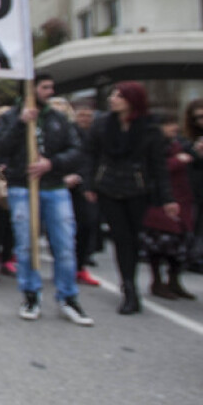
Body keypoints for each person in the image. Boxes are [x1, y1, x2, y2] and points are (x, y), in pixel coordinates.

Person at [0, 75, 93, 326]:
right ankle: (30, 295)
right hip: (22, 188)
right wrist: (20, 123)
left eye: (51, 86)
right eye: (45, 86)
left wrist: (52, 163)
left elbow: (76, 151)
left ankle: (68, 297)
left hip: (54, 187)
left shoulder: (58, 118)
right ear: (30, 89)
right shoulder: (9, 118)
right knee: (26, 245)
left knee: (64, 245)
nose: (51, 90)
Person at [84, 82, 178, 315]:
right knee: (121, 238)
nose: (113, 99)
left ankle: (130, 281)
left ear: (132, 100)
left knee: (134, 239)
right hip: (108, 189)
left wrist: (167, 198)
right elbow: (90, 156)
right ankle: (129, 289)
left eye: (119, 95)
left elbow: (158, 167)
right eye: (113, 94)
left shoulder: (149, 129)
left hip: (138, 191)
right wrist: (90, 184)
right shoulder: (102, 125)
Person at [142, 114, 195, 300]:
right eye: (168, 123)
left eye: (174, 122)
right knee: (159, 243)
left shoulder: (179, 143)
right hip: (160, 199)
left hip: (183, 199)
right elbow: (153, 168)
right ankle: (156, 281)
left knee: (181, 241)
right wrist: (177, 161)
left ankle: (174, 280)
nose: (173, 127)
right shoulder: (153, 144)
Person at [70, 101, 102, 286]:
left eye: (88, 116)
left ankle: (80, 265)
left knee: (88, 225)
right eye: (81, 115)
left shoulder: (97, 135)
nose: (85, 119)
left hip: (90, 186)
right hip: (70, 185)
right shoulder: (70, 132)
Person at [183, 99, 203, 273]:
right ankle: (193, 257)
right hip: (195, 190)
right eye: (197, 117)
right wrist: (196, 153)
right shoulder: (188, 141)